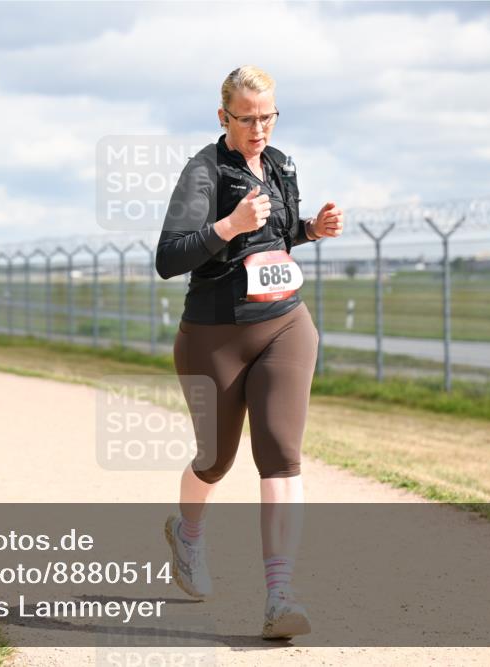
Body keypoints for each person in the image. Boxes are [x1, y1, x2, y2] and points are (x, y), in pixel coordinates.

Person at [156, 66, 344, 640]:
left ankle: (279, 595)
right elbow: (169, 258)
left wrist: (311, 229)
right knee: (215, 460)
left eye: (268, 117)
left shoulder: (282, 164)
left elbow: (278, 237)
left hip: (285, 323)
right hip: (214, 335)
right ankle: (187, 533)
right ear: (223, 117)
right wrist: (228, 226)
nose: (259, 129)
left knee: (282, 455)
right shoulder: (203, 171)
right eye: (247, 119)